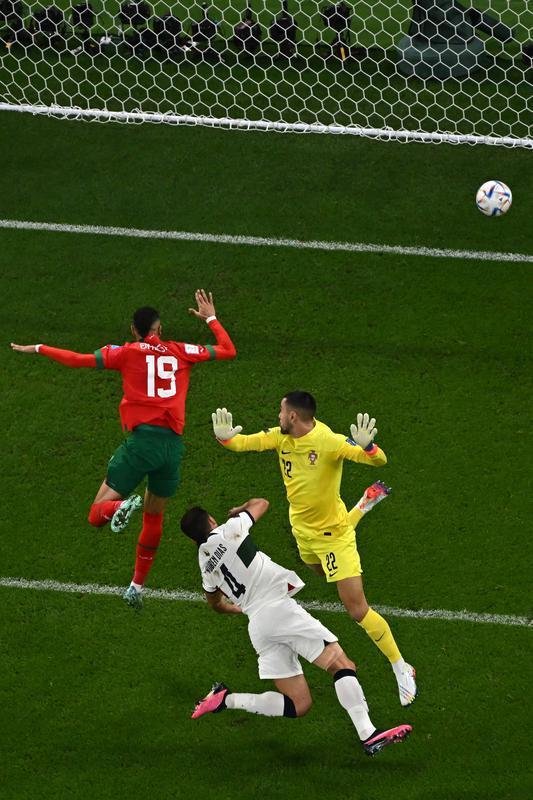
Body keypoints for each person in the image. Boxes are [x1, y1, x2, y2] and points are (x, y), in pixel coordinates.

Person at [10, 290, 236, 610]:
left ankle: (120, 507)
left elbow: (78, 360)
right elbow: (228, 350)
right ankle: (136, 586)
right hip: (171, 450)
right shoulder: (181, 351)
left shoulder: (125, 353)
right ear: (159, 328)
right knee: (154, 515)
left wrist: (38, 347)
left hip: (141, 444)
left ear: (134, 330)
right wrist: (210, 317)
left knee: (96, 514)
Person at [211, 393, 417, 705]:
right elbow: (245, 443)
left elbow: (379, 461)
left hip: (334, 537)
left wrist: (368, 446)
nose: (277, 416)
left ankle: (401, 666)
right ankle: (362, 504)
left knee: (357, 610)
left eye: (281, 412)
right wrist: (225, 439)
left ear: (293, 416)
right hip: (303, 532)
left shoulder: (330, 441)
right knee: (318, 571)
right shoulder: (281, 438)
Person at [180, 496, 412, 757]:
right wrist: (240, 509)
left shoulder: (205, 564)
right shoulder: (230, 529)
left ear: (193, 540)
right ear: (211, 520)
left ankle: (225, 699)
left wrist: (238, 608)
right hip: (279, 610)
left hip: (257, 625)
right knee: (341, 664)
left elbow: (215, 603)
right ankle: (367, 734)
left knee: (298, 704)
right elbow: (262, 503)